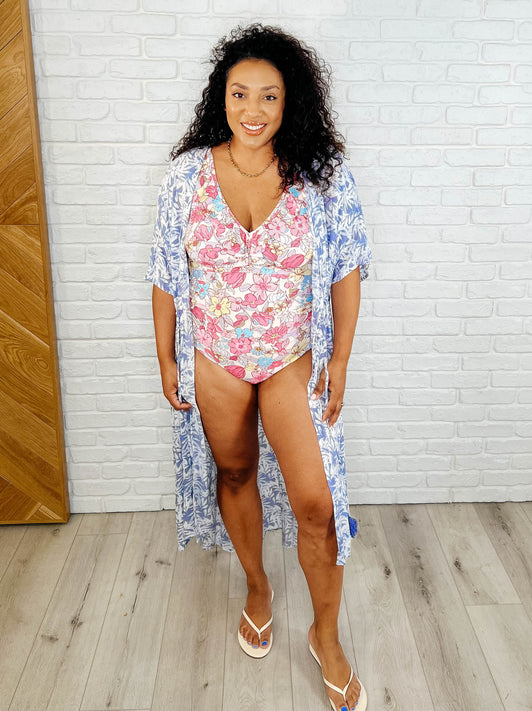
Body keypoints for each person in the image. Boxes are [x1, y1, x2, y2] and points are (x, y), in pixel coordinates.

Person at [146, 23, 371, 711]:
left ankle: (326, 635)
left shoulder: (321, 175)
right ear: (221, 98)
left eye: (268, 96)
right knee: (236, 472)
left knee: (317, 507)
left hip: (290, 357)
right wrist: (165, 355)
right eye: (239, 93)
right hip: (214, 357)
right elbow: (165, 272)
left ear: (288, 101)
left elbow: (347, 268)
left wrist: (339, 359)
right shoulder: (187, 176)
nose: (252, 108)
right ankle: (257, 585)